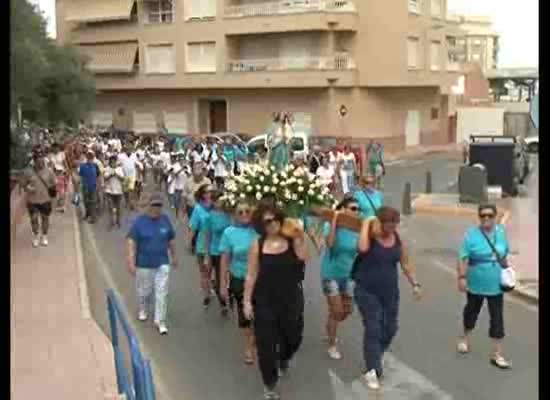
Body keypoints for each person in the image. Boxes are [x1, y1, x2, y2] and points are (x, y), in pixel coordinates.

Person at [243, 205, 308, 400]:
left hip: (291, 299)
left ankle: (284, 358)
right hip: (265, 301)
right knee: (266, 345)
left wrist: (298, 235)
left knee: (293, 337)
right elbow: (251, 273)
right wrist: (246, 301)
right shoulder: (258, 244)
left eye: (274, 220)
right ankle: (269, 383)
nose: (271, 225)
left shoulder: (291, 240)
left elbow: (305, 257)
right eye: (266, 222)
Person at [354, 207, 422, 390]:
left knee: (391, 328)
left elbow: (405, 263)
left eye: (394, 224)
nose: (391, 228)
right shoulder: (369, 237)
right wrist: (367, 224)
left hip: (390, 292)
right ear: (380, 222)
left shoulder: (397, 239)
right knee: (373, 328)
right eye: (388, 224)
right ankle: (372, 369)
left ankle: (375, 355)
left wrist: (415, 284)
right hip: (366, 291)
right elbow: (361, 249)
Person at [456, 204, 511, 369]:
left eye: (489, 216)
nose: (486, 219)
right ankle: (465, 337)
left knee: (497, 317)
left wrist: (506, 272)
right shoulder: (471, 235)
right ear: (479, 217)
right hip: (476, 282)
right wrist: (462, 277)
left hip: (496, 283)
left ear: (495, 217)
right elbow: (462, 257)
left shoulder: (501, 233)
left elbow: (505, 252)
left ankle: (497, 353)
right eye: (483, 216)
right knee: (472, 311)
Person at [126, 192, 177, 335]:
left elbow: (171, 239)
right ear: (149, 206)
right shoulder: (140, 222)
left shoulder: (165, 220)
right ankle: (143, 307)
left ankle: (160, 321)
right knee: (145, 291)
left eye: (159, 205)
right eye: (154, 205)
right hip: (144, 263)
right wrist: (130, 259)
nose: (156, 208)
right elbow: (131, 241)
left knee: (162, 292)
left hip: (162, 262)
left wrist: (174, 256)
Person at [319, 198, 359, 360]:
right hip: (331, 274)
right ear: (342, 209)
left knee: (346, 311)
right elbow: (330, 243)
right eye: (352, 208)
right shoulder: (330, 225)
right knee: (337, 311)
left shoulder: (357, 228)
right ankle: (332, 344)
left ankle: (330, 328)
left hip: (350, 275)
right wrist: (335, 220)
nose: (356, 212)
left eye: (358, 209)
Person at [219, 202, 258, 365]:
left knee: (261, 314)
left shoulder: (258, 231)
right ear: (234, 215)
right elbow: (225, 259)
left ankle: (257, 339)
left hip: (259, 279)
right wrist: (223, 283)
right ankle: (249, 345)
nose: (244, 214)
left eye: (247, 211)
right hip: (239, 278)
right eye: (240, 212)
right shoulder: (229, 233)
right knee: (246, 316)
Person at [204, 191, 232, 315]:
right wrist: (207, 254)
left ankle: (228, 295)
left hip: (230, 250)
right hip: (216, 250)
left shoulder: (228, 214)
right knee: (221, 276)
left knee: (229, 276)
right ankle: (223, 303)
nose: (219, 203)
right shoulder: (210, 216)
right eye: (217, 201)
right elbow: (208, 235)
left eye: (221, 200)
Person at [22, 151, 57, 247]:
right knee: (33, 219)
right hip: (32, 201)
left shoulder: (49, 171)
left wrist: (54, 200)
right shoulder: (28, 172)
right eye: (39, 161)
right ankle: (36, 236)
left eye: (43, 161)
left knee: (45, 218)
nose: (42, 163)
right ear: (34, 161)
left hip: (45, 200)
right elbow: (23, 185)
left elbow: (54, 185)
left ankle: (44, 236)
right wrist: (28, 188)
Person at [188, 184, 215, 308]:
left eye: (212, 191)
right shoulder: (198, 209)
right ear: (203, 194)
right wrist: (190, 242)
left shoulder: (217, 206)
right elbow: (193, 228)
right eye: (209, 191)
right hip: (202, 246)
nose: (211, 193)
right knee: (205, 272)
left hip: (217, 245)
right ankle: (206, 295)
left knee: (217, 272)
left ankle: (216, 288)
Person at [79, 150, 100, 224]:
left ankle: (93, 218)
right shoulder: (82, 166)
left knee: (93, 203)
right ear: (87, 157)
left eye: (91, 157)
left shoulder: (95, 165)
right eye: (88, 157)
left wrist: (98, 185)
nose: (90, 158)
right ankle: (87, 214)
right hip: (85, 187)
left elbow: (98, 176)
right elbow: (80, 176)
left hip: (93, 187)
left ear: (93, 158)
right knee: (86, 202)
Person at [103, 155, 124, 229]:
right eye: (112, 162)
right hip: (109, 191)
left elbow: (122, 179)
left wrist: (116, 174)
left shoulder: (119, 169)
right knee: (110, 207)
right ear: (110, 162)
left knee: (118, 208)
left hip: (118, 191)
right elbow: (105, 178)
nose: (113, 163)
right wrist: (111, 174)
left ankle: (118, 221)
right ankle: (111, 222)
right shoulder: (107, 169)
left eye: (114, 162)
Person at [118, 145, 138, 210]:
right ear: (125, 150)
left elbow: (136, 164)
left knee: (131, 190)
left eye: (130, 149)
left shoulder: (134, 155)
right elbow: (118, 165)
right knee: (125, 191)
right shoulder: (120, 156)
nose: (129, 150)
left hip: (132, 175)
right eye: (127, 149)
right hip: (124, 176)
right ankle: (127, 201)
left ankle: (131, 203)